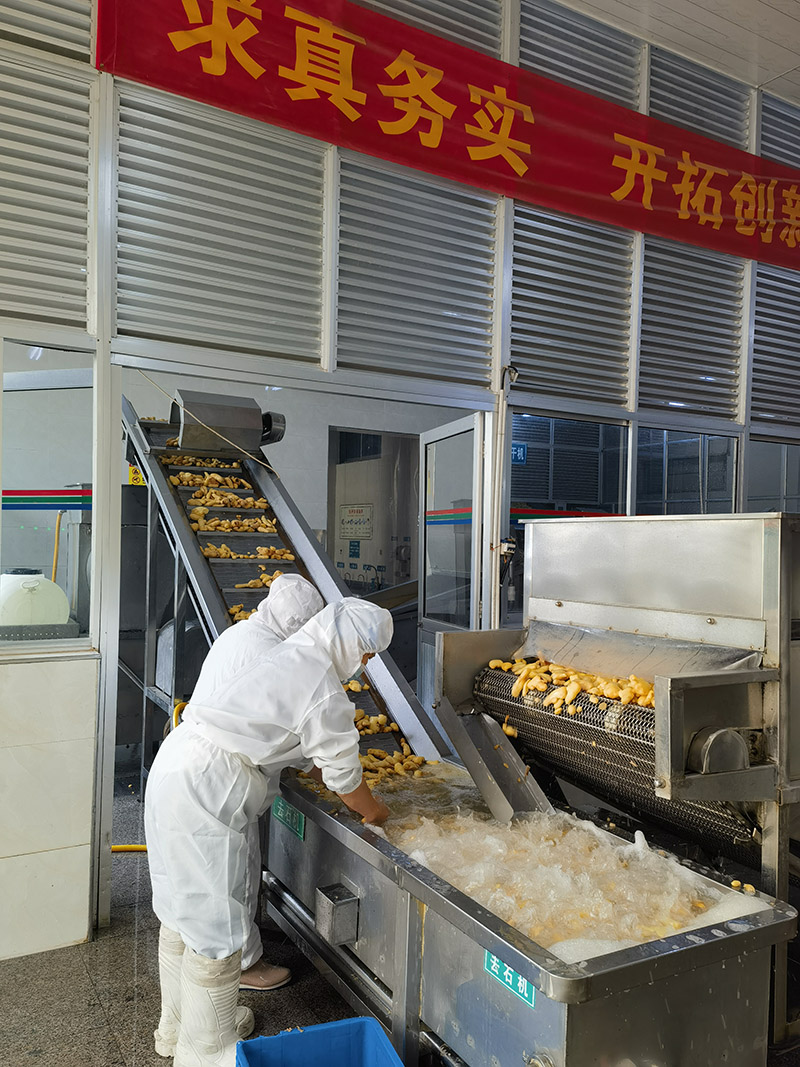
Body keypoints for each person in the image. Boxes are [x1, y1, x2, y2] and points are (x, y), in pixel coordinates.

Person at [145, 596, 393, 1067]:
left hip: (176, 766)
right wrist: (377, 813)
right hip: (209, 790)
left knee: (180, 911)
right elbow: (345, 777)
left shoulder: (288, 653)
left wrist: (331, 773)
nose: (364, 664)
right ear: (351, 643)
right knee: (214, 927)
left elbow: (307, 748)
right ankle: (205, 1051)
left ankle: (175, 1028)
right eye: (367, 653)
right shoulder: (322, 685)